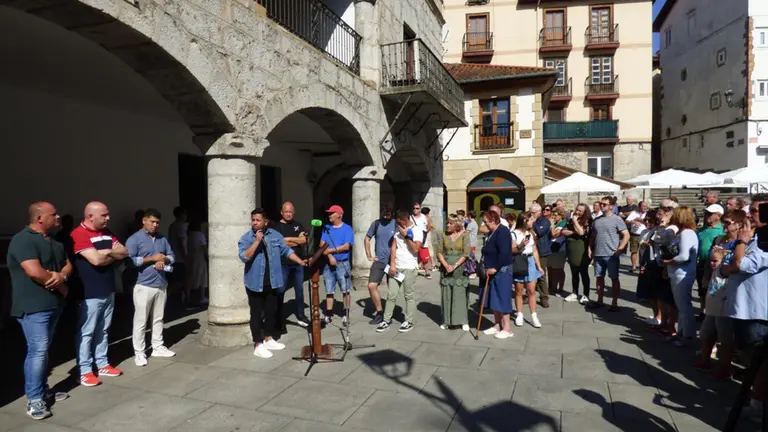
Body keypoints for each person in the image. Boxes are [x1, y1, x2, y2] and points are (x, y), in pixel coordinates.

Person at [8, 202, 73, 420]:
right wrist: (62, 285)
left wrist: (62, 275)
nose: (58, 217)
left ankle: (43, 390)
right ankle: (34, 399)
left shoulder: (53, 241)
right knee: (37, 350)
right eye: (53, 215)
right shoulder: (23, 240)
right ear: (39, 218)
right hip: (33, 307)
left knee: (43, 351)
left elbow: (67, 265)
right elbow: (33, 271)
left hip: (53, 305)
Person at [71, 202, 128, 387]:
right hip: (90, 292)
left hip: (108, 289)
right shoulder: (78, 234)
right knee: (87, 331)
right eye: (104, 215)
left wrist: (107, 252)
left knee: (103, 329)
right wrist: (111, 254)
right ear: (90, 217)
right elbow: (95, 260)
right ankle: (85, 370)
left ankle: (102, 363)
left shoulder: (107, 232)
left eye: (108, 214)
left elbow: (125, 251)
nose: (108, 218)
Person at [722, 195, 768, 418]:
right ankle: (756, 401)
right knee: (751, 360)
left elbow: (741, 264)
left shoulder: (760, 241)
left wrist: (740, 242)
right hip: (741, 308)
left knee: (758, 363)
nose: (750, 215)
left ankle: (758, 404)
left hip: (756, 311)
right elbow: (725, 263)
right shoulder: (753, 238)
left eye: (756, 211)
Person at [238, 208, 307, 359]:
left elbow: (286, 251)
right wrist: (257, 241)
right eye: (253, 220)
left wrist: (300, 261)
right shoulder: (247, 238)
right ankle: (258, 344)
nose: (255, 223)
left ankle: (268, 338)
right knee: (256, 314)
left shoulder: (275, 235)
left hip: (273, 281)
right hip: (255, 283)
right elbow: (244, 257)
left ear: (265, 222)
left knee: (271, 312)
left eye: (258, 220)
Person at [126, 209, 176, 366]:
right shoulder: (134, 239)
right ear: (144, 221)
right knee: (141, 320)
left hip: (161, 283)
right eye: (152, 221)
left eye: (157, 222)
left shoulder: (162, 239)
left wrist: (165, 260)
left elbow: (172, 256)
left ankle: (157, 346)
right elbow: (129, 261)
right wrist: (151, 259)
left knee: (158, 318)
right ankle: (139, 352)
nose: (155, 225)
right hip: (143, 285)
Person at [376, 209, 424, 333]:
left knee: (409, 295)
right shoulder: (397, 229)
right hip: (396, 266)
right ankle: (386, 320)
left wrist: (406, 236)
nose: (397, 224)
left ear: (405, 220)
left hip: (409, 267)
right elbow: (393, 247)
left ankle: (409, 321)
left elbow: (416, 249)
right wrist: (392, 264)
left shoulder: (417, 230)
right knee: (391, 294)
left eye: (399, 222)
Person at [693, 248, 733, 380]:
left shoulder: (727, 271)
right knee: (705, 334)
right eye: (711, 261)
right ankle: (706, 361)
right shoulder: (715, 271)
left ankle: (724, 369)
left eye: (715, 261)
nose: (712, 263)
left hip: (723, 311)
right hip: (712, 310)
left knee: (724, 340)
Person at [662, 206, 699, 345]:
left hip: (683, 274)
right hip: (678, 273)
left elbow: (683, 256)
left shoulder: (686, 234)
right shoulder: (683, 233)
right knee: (681, 305)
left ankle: (687, 335)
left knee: (684, 306)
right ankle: (682, 332)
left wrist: (668, 261)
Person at [588, 196, 629, 311]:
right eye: (601, 204)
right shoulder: (597, 220)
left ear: (611, 206)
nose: (601, 206)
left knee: (614, 278)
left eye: (604, 204)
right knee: (599, 278)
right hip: (598, 254)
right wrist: (590, 248)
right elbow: (593, 236)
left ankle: (614, 303)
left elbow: (626, 234)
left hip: (611, 254)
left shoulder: (617, 219)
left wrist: (620, 249)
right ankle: (599, 300)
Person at [480, 210, 515, 339]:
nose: (484, 224)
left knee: (503, 297)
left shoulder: (503, 231)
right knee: (494, 298)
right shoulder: (492, 232)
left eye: (486, 221)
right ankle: (497, 325)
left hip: (502, 270)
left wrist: (495, 267)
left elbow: (505, 253)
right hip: (491, 270)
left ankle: (507, 328)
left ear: (494, 220)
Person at [274, 202, 309, 329]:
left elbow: (304, 240)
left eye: (290, 212)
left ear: (293, 212)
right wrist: (295, 240)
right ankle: (278, 317)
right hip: (283, 264)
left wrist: (287, 240)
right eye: (286, 212)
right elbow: (280, 243)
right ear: (282, 212)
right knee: (280, 291)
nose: (288, 214)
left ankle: (301, 315)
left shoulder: (298, 225)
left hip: (298, 263)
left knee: (299, 290)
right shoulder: (277, 227)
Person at [320, 205, 355, 325]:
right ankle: (328, 314)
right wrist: (329, 256)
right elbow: (322, 245)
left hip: (342, 263)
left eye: (332, 213)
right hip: (328, 265)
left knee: (345, 290)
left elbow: (346, 246)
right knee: (329, 290)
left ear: (339, 215)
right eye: (329, 213)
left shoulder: (347, 229)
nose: (329, 215)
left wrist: (330, 251)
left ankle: (345, 314)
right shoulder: (326, 228)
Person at [435, 214, 470, 330]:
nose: (448, 225)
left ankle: (463, 320)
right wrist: (446, 265)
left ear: (457, 224)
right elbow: (439, 251)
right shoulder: (443, 235)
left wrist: (454, 265)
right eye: (447, 223)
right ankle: (446, 320)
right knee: (447, 293)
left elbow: (466, 253)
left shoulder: (465, 235)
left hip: (459, 268)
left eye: (450, 223)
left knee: (459, 293)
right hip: (446, 268)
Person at [364, 206, 396, 325]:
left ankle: (389, 313)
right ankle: (379, 312)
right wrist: (369, 255)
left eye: (388, 215)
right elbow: (367, 238)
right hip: (379, 261)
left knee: (392, 289)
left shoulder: (396, 224)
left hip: (394, 262)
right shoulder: (376, 224)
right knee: (372, 286)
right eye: (384, 215)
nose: (386, 217)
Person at [512, 212, 544, 328]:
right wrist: (520, 245)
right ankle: (519, 314)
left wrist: (538, 266)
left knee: (531, 290)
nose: (533, 222)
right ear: (525, 221)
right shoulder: (514, 234)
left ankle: (534, 315)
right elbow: (512, 250)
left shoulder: (531, 233)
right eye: (531, 220)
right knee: (519, 290)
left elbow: (535, 250)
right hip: (520, 261)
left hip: (530, 261)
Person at [696, 204, 724, 312]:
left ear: (718, 216)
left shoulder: (722, 230)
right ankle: (703, 310)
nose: (707, 215)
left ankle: (711, 311)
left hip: (715, 264)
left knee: (712, 289)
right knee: (702, 289)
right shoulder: (702, 229)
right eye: (706, 213)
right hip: (701, 263)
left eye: (710, 214)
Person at [562, 203, 591, 304]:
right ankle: (574, 292)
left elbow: (582, 232)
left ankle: (586, 294)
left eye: (580, 211)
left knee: (583, 272)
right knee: (574, 272)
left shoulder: (587, 221)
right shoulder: (569, 220)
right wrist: (574, 231)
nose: (577, 212)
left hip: (581, 249)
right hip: (571, 249)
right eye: (577, 209)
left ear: (585, 212)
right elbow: (563, 231)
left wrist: (575, 222)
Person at [531, 203, 551, 308]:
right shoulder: (532, 220)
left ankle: (544, 297)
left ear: (539, 212)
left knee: (541, 275)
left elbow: (539, 232)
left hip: (541, 252)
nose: (532, 215)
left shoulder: (545, 221)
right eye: (531, 212)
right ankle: (529, 294)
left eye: (533, 213)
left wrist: (533, 223)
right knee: (530, 274)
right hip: (531, 251)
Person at [636, 210, 659, 305]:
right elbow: (640, 244)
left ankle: (651, 295)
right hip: (644, 256)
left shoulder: (656, 231)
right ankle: (642, 295)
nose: (646, 222)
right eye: (645, 220)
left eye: (649, 221)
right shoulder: (644, 231)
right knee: (643, 276)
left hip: (653, 257)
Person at [167, 207, 188, 304]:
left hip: (173, 257)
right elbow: (181, 242)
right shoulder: (180, 226)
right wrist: (185, 256)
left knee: (177, 279)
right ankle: (167, 295)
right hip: (179, 258)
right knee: (180, 280)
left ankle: (183, 298)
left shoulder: (172, 225)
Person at [186, 219, 208, 307]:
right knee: (201, 277)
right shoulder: (200, 235)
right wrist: (208, 257)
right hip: (199, 257)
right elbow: (204, 247)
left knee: (191, 277)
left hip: (190, 257)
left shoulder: (189, 234)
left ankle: (189, 297)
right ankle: (201, 297)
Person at [547, 206, 567, 298]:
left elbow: (554, 234)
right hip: (552, 248)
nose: (553, 217)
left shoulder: (563, 223)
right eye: (553, 215)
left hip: (560, 249)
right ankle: (553, 287)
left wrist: (551, 225)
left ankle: (559, 288)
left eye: (555, 215)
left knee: (558, 269)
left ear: (561, 215)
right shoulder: (556, 223)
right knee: (552, 269)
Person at [626, 201, 649, 273]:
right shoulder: (634, 213)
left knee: (643, 252)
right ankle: (633, 266)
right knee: (634, 251)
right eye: (643, 206)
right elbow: (626, 221)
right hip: (635, 234)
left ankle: (642, 266)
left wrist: (641, 220)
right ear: (639, 207)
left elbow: (650, 222)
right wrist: (633, 221)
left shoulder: (648, 214)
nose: (645, 207)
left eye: (646, 206)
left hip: (645, 235)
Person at [411, 204, 433, 279]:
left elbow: (430, 226)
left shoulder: (425, 217)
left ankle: (427, 272)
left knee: (425, 258)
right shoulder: (410, 217)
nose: (415, 210)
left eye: (417, 208)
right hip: (413, 240)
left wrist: (426, 232)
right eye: (414, 208)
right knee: (413, 256)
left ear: (420, 209)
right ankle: (412, 271)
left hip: (423, 240)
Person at [422, 207, 437, 278]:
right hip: (427, 235)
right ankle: (433, 264)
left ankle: (420, 266)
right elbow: (431, 226)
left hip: (422, 235)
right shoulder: (427, 217)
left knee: (422, 249)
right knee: (429, 249)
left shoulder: (420, 217)